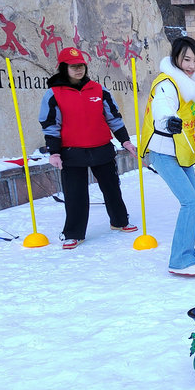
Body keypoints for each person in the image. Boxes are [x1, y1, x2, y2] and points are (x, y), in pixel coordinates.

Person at [39, 47, 138, 250]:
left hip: (101, 147)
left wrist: (125, 141)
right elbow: (50, 125)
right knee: (75, 193)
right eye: (73, 66)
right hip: (72, 152)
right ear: (63, 68)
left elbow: (114, 118)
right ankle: (73, 233)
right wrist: (54, 152)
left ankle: (119, 220)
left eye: (81, 66)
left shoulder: (99, 90)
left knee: (112, 187)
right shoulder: (54, 94)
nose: (78, 70)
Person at [139, 36, 195, 276]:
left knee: (194, 202)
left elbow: (183, 106)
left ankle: (187, 249)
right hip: (164, 150)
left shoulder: (189, 84)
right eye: (186, 59)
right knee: (190, 202)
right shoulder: (167, 82)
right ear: (175, 58)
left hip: (182, 150)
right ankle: (179, 259)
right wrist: (169, 120)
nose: (191, 65)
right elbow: (163, 107)